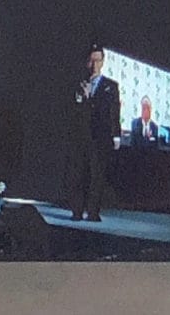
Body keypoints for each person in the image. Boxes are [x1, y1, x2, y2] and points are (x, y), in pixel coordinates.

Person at [70, 46, 123, 220]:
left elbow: (114, 111)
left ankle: (93, 212)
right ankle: (77, 211)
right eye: (92, 60)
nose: (94, 65)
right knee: (79, 173)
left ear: (103, 62)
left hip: (100, 136)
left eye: (98, 60)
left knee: (96, 175)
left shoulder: (110, 86)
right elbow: (73, 110)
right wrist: (84, 99)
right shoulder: (79, 84)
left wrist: (116, 135)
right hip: (81, 136)